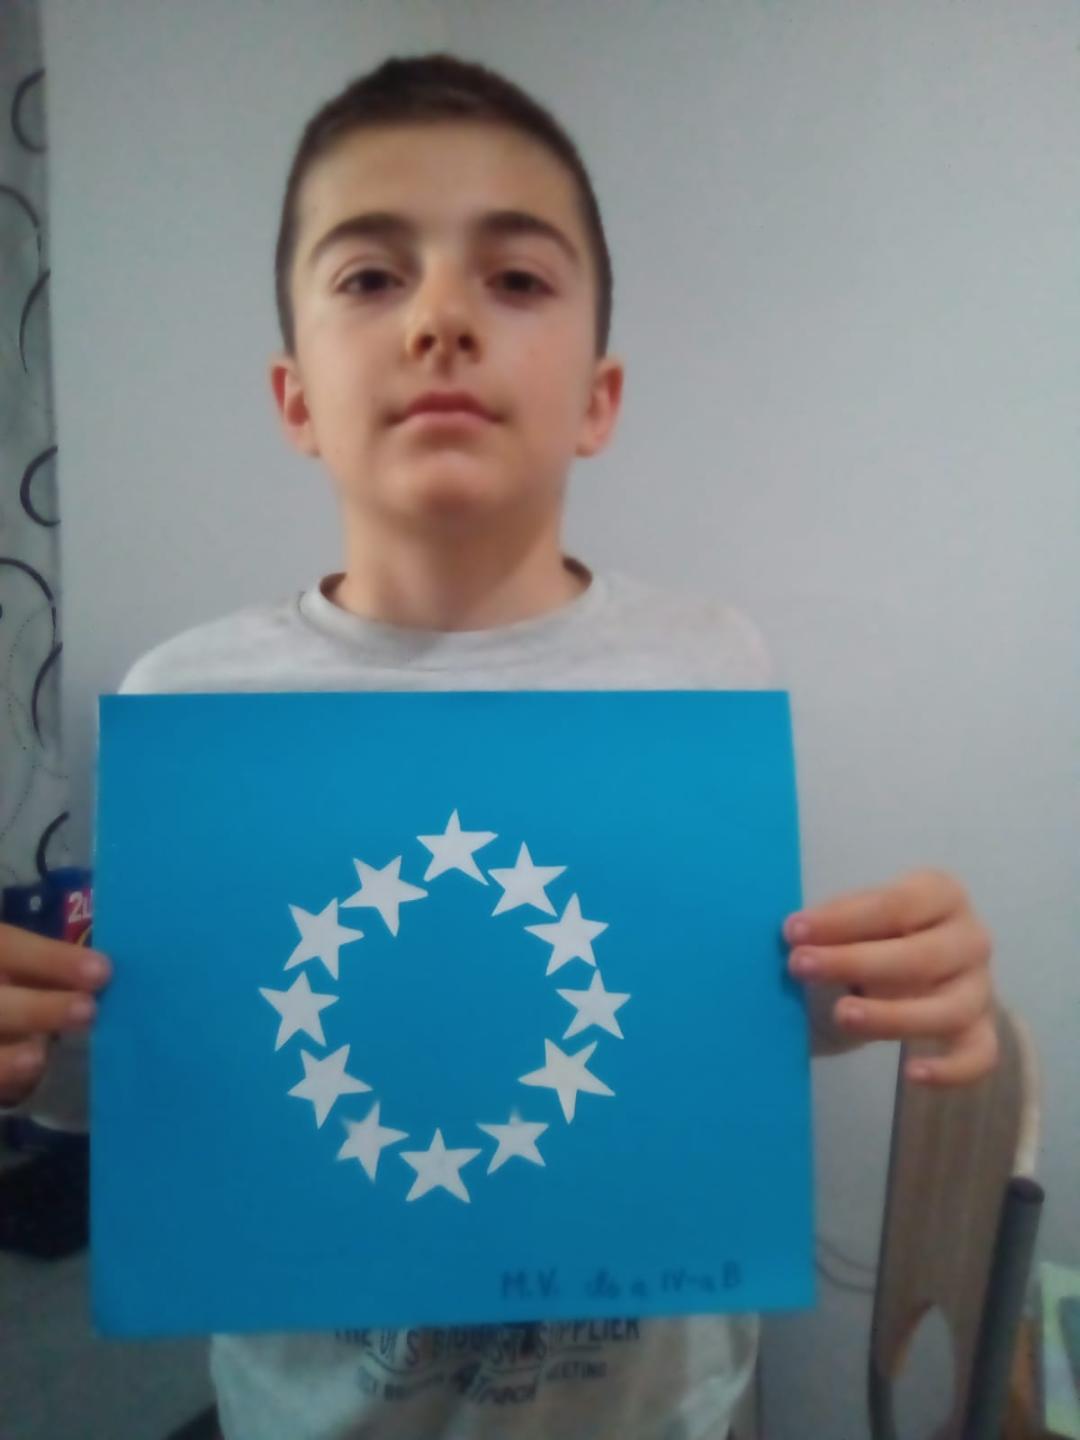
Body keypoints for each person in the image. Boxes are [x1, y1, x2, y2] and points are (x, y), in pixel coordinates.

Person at [0, 51, 998, 1440]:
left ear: (599, 395)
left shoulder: (704, 671)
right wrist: (33, 1042)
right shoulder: (191, 705)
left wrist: (884, 989)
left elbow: (712, 1015)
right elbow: (175, 1070)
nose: (440, 320)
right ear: (295, 400)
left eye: (516, 278)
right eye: (370, 276)